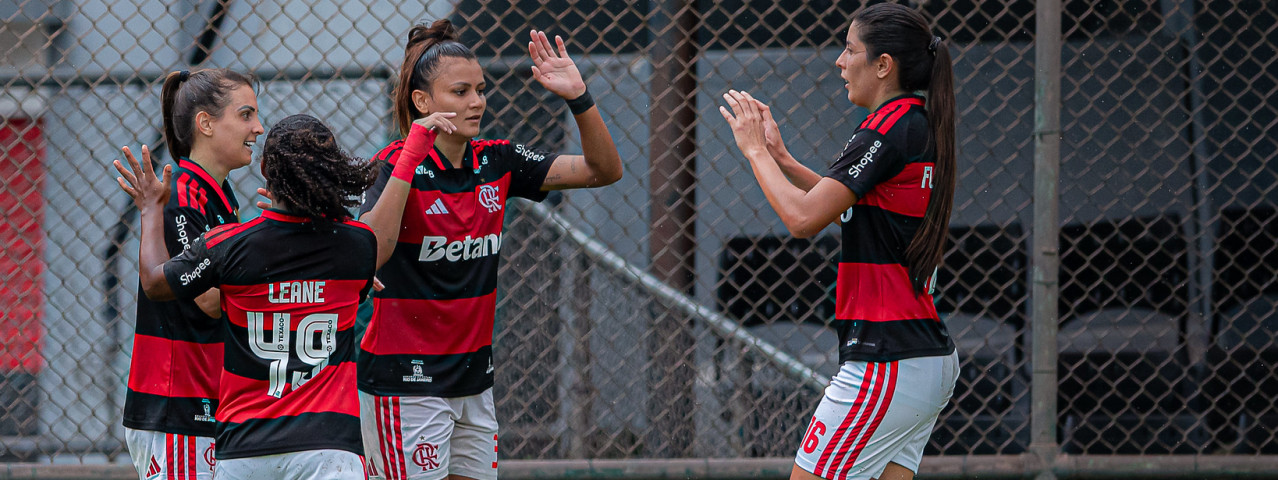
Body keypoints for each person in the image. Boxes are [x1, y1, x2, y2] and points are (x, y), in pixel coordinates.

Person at [356, 20, 622, 480]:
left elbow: (604, 170)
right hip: (405, 383)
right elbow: (369, 253)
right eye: (460, 92)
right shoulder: (392, 165)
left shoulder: (497, 161)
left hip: (474, 383)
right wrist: (410, 158)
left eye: (480, 90)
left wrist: (579, 98)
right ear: (422, 101)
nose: (477, 102)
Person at [719, 4, 959, 480]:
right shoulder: (914, 121)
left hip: (887, 358)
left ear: (883, 65)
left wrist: (753, 151)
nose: (840, 61)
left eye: (850, 50)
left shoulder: (886, 127)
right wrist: (782, 159)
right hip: (923, 358)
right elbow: (850, 206)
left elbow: (803, 219)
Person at [113, 114, 379, 479]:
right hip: (329, 445)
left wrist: (150, 209)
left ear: (266, 170)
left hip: (246, 446)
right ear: (333, 169)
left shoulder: (231, 244)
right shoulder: (360, 245)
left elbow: (155, 284)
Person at [122, 68, 263, 480]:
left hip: (205, 402)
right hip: (177, 405)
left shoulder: (220, 195)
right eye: (246, 115)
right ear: (205, 123)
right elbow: (209, 298)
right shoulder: (183, 194)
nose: (258, 127)